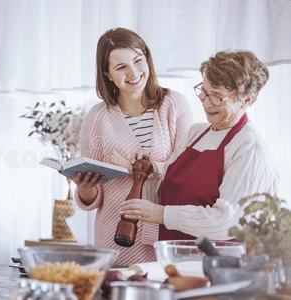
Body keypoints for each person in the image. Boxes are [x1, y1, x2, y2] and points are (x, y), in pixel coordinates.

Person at [119, 50, 278, 241]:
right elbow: (171, 190)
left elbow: (228, 222)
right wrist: (153, 170)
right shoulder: (196, 133)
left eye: (217, 97)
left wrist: (160, 214)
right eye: (204, 92)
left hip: (222, 265)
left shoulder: (250, 147)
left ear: (246, 99)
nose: (207, 103)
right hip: (179, 256)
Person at [71, 27, 193, 266]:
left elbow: (186, 175)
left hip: (165, 236)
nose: (134, 72)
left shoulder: (175, 105)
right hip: (115, 238)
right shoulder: (97, 118)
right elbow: (93, 198)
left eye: (138, 60)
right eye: (121, 67)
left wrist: (129, 166)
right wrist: (85, 189)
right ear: (107, 74)